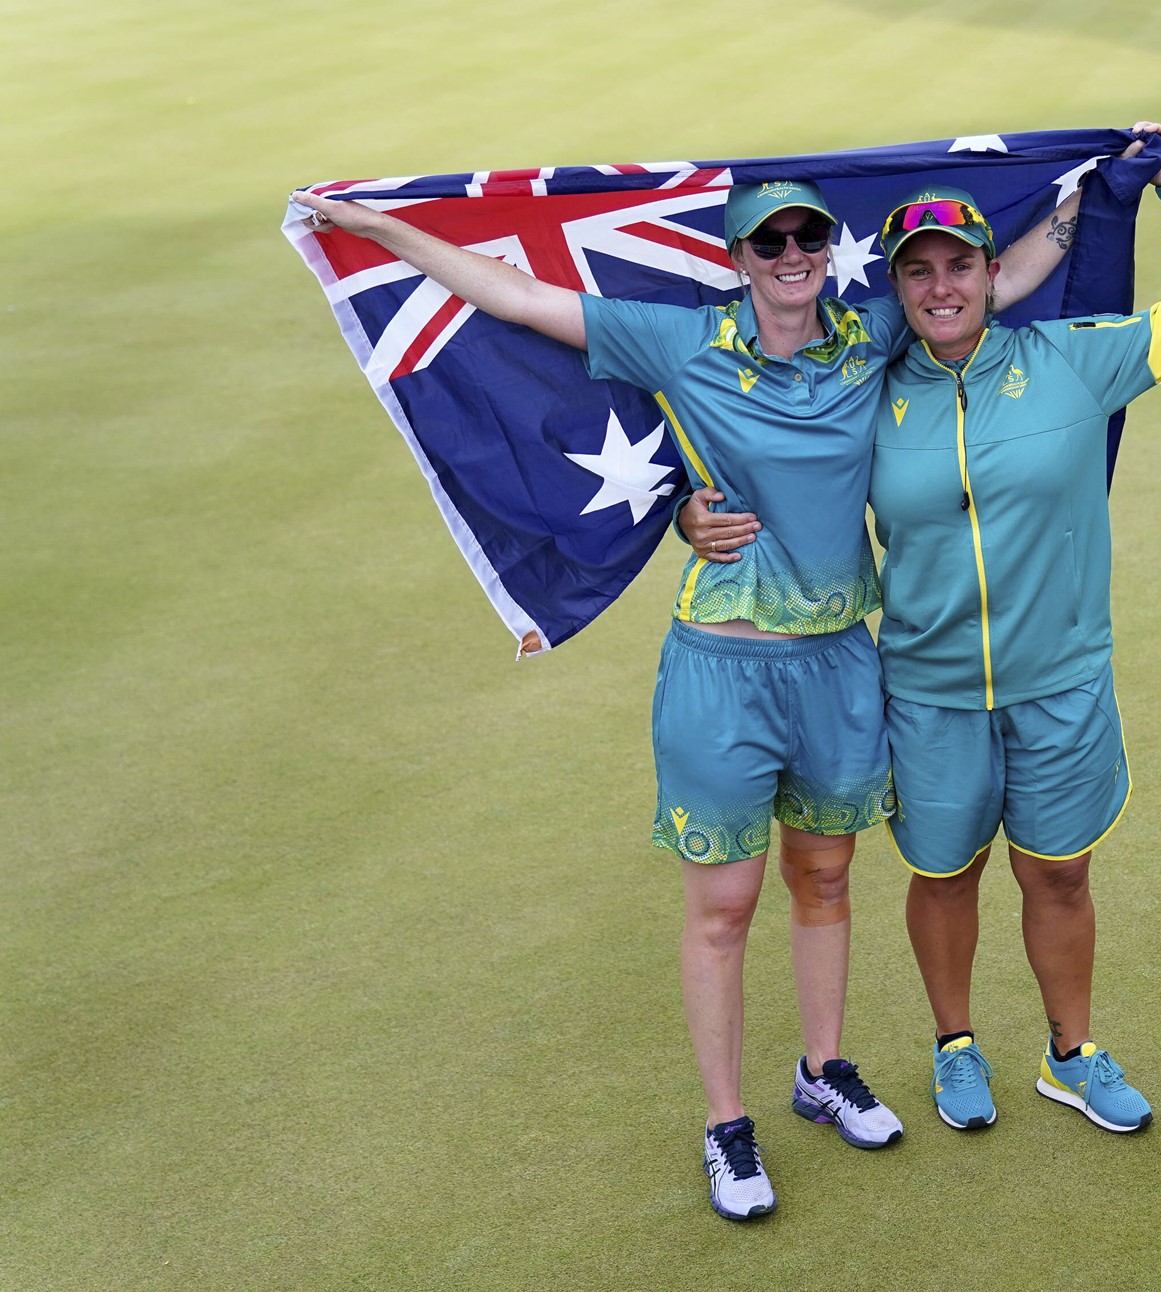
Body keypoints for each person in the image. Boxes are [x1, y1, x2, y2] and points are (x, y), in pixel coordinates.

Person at [289, 172, 1083, 1220]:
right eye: (769, 242)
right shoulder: (679, 341)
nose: (791, 254)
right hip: (720, 670)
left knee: (826, 879)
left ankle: (823, 1068)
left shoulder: (874, 334)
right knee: (722, 908)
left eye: (806, 237)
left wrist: (1089, 188)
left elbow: (1008, 274)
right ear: (739, 258)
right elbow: (516, 298)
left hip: (842, 663)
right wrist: (384, 227)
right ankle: (724, 1123)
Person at [866, 122, 1161, 1133]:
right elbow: (771, 457)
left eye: (960, 265)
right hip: (927, 689)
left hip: (1060, 677)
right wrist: (693, 513)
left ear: (994, 273)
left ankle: (1070, 1053)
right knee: (944, 873)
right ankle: (954, 1047)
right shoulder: (865, 390)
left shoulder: (1073, 361)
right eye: (918, 271)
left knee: (1057, 870)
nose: (940, 287)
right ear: (895, 287)